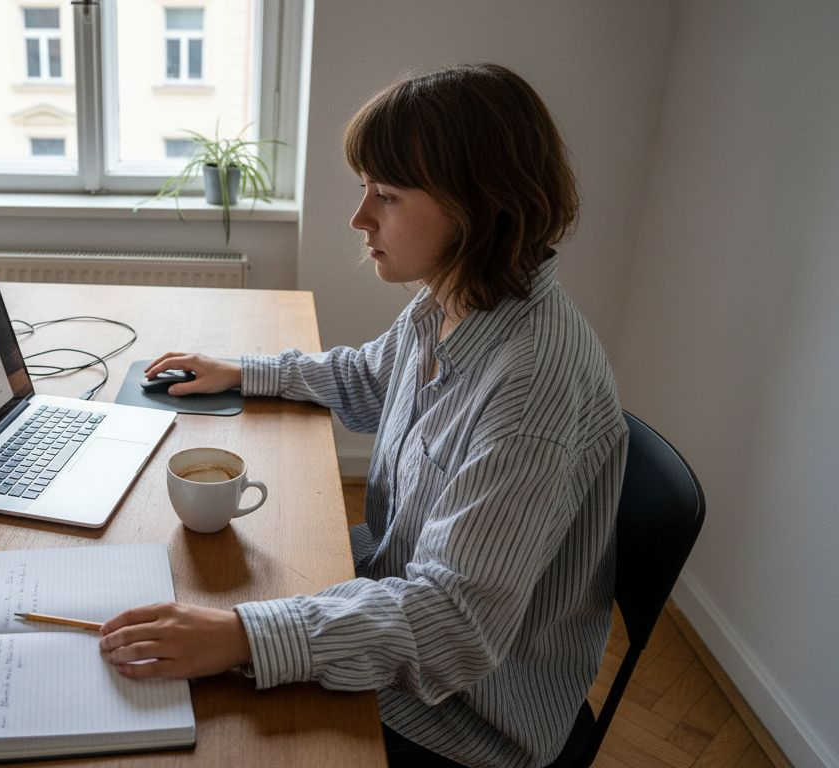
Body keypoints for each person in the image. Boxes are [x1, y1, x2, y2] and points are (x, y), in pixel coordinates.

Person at [97, 63, 628, 768]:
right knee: (199, 587)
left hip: (466, 715)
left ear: (481, 206)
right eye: (363, 189)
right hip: (393, 594)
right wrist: (244, 372)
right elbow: (368, 376)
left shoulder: (531, 386)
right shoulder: (455, 298)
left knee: (199, 723)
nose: (359, 218)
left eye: (388, 196)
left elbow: (452, 623)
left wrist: (245, 639)